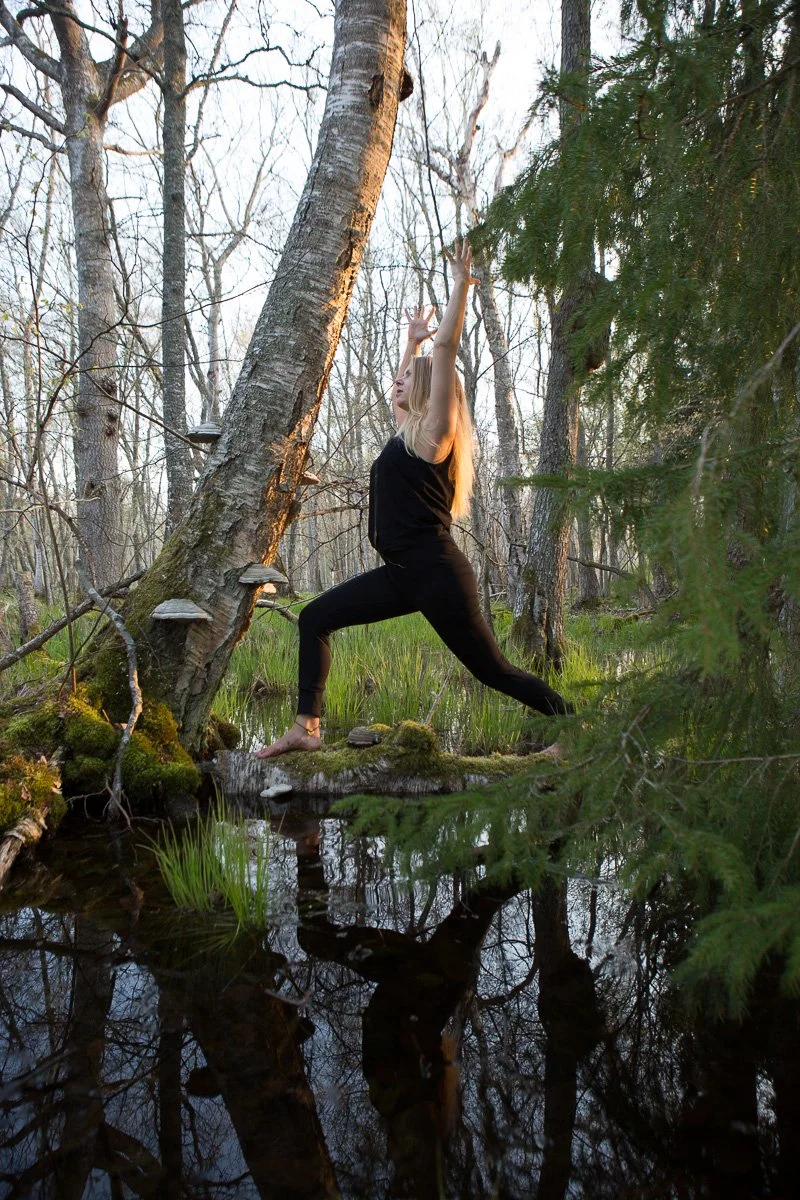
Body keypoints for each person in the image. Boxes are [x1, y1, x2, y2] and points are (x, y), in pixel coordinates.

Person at [256, 239, 572, 759]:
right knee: (315, 618)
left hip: (438, 575)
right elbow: (399, 390)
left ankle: (576, 731)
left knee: (492, 671)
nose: (397, 383)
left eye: (406, 378)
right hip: (403, 575)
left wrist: (458, 289)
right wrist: (410, 342)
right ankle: (305, 729)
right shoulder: (407, 434)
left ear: (427, 391)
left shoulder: (436, 434)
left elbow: (444, 353)